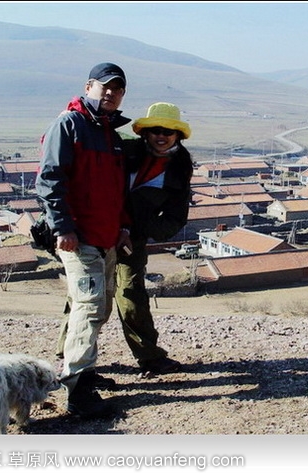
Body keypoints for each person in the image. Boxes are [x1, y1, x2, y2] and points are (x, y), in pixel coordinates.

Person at [35, 62, 132, 417]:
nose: (111, 92)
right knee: (90, 307)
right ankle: (79, 390)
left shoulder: (111, 134)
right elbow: (49, 180)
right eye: (105, 86)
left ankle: (81, 369)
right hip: (79, 238)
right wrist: (62, 228)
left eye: (118, 88)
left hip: (105, 238)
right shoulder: (69, 125)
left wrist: (122, 227)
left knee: (100, 306)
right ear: (89, 86)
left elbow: (116, 191)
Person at [115, 102, 194, 374]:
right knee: (86, 297)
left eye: (169, 132)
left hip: (131, 241)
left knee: (131, 295)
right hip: (96, 230)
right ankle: (73, 364)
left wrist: (138, 230)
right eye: (156, 130)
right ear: (145, 133)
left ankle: (150, 357)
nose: (162, 136)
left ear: (178, 136)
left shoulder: (180, 169)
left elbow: (175, 217)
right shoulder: (122, 150)